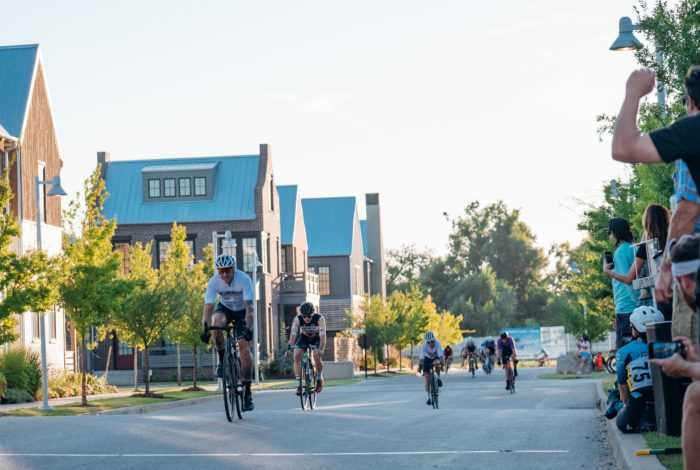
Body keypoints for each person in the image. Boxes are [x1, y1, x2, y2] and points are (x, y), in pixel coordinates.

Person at [611, 66, 700, 340]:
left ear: (691, 102)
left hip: (693, 266)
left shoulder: (693, 132)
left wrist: (633, 92)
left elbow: (624, 147)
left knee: (689, 359)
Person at [201, 254, 255, 411]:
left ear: (234, 269)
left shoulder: (244, 280)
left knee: (244, 349)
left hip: (242, 312)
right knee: (216, 324)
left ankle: (247, 392)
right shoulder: (214, 282)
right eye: (221, 271)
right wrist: (204, 327)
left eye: (227, 271)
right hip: (225, 309)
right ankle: (222, 359)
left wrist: (249, 328)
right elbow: (208, 306)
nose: (224, 274)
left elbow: (250, 308)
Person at [603, 204, 671, 317]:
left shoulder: (647, 246)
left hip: (659, 299)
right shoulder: (674, 241)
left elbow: (629, 279)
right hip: (681, 294)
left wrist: (608, 272)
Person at [611, 306, 664, 433]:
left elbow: (623, 385)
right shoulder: (667, 346)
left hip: (638, 402)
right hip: (664, 402)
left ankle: (615, 404)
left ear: (634, 329)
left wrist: (624, 405)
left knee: (622, 423)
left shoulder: (624, 351)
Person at [602, 218, 640, 349]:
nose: (609, 236)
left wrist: (608, 272)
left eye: (610, 233)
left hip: (627, 307)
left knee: (624, 351)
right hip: (636, 306)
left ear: (616, 233)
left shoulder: (620, 252)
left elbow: (626, 279)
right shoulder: (634, 248)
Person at [288, 302, 326, 395]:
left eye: (309, 316)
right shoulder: (297, 319)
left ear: (313, 314)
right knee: (296, 356)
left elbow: (322, 337)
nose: (306, 318)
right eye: (304, 316)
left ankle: (318, 377)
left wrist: (321, 349)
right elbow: (293, 334)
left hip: (316, 338)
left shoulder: (320, 319)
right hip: (304, 338)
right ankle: (299, 383)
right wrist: (290, 346)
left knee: (316, 355)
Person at [419, 331, 443, 406]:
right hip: (427, 359)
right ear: (426, 342)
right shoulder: (424, 346)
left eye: (432, 341)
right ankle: (429, 398)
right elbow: (421, 358)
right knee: (427, 379)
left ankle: (438, 378)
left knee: (437, 364)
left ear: (434, 340)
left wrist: (441, 363)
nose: (430, 343)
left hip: (436, 357)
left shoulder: (437, 343)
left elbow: (440, 355)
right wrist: (421, 366)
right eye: (428, 342)